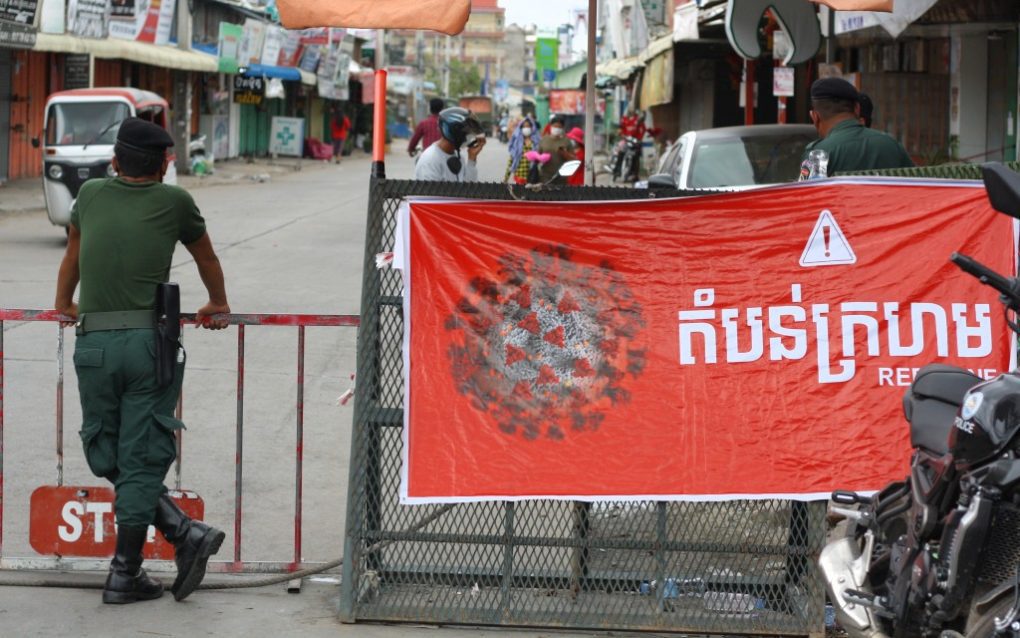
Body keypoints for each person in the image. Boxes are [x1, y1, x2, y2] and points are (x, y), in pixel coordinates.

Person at [54, 118, 230, 605]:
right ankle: (168, 540)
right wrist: (217, 303)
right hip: (146, 346)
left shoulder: (88, 195)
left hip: (94, 343)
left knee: (107, 451)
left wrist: (64, 303)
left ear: (114, 161)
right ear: (165, 163)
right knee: (135, 456)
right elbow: (207, 258)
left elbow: (73, 254)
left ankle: (134, 565)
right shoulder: (175, 202)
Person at [801, 78, 912, 176]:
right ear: (857, 109)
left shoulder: (818, 154)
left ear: (815, 116)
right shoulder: (891, 145)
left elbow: (808, 196)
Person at [414, 107, 486, 182]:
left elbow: (468, 189)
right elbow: (429, 193)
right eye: (467, 133)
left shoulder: (459, 157)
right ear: (456, 133)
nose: (469, 137)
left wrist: (472, 159)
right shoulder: (430, 160)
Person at [538, 115, 576, 184]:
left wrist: (564, 153)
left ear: (563, 128)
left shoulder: (566, 141)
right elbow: (537, 156)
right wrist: (539, 158)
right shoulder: (544, 139)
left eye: (559, 127)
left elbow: (574, 159)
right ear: (551, 126)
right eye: (555, 126)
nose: (557, 129)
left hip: (561, 177)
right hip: (545, 176)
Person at [504, 116, 541, 184]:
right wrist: (506, 178)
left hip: (533, 177)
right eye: (524, 126)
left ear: (532, 128)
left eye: (528, 126)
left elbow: (541, 159)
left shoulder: (536, 141)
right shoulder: (517, 142)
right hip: (519, 176)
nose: (526, 128)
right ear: (520, 128)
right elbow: (511, 160)